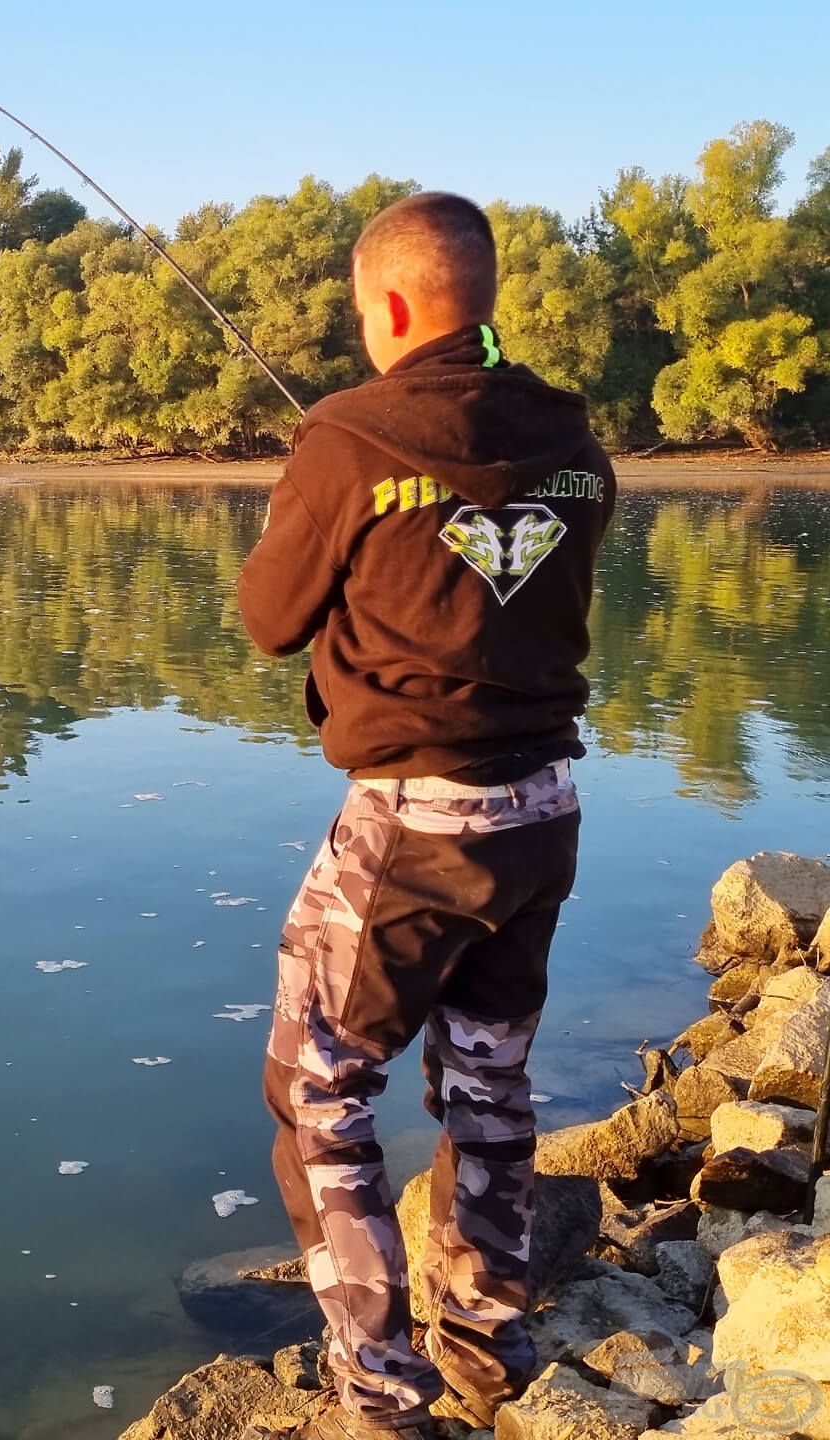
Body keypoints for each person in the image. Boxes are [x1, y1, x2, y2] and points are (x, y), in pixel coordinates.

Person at [235, 192, 616, 1440]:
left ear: (389, 306)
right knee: (492, 1075)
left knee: (320, 1090)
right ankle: (489, 1340)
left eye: (360, 313)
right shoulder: (574, 437)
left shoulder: (346, 436)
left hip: (411, 828)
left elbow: (269, 617)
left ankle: (382, 1391)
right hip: (543, 815)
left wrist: (331, 490)